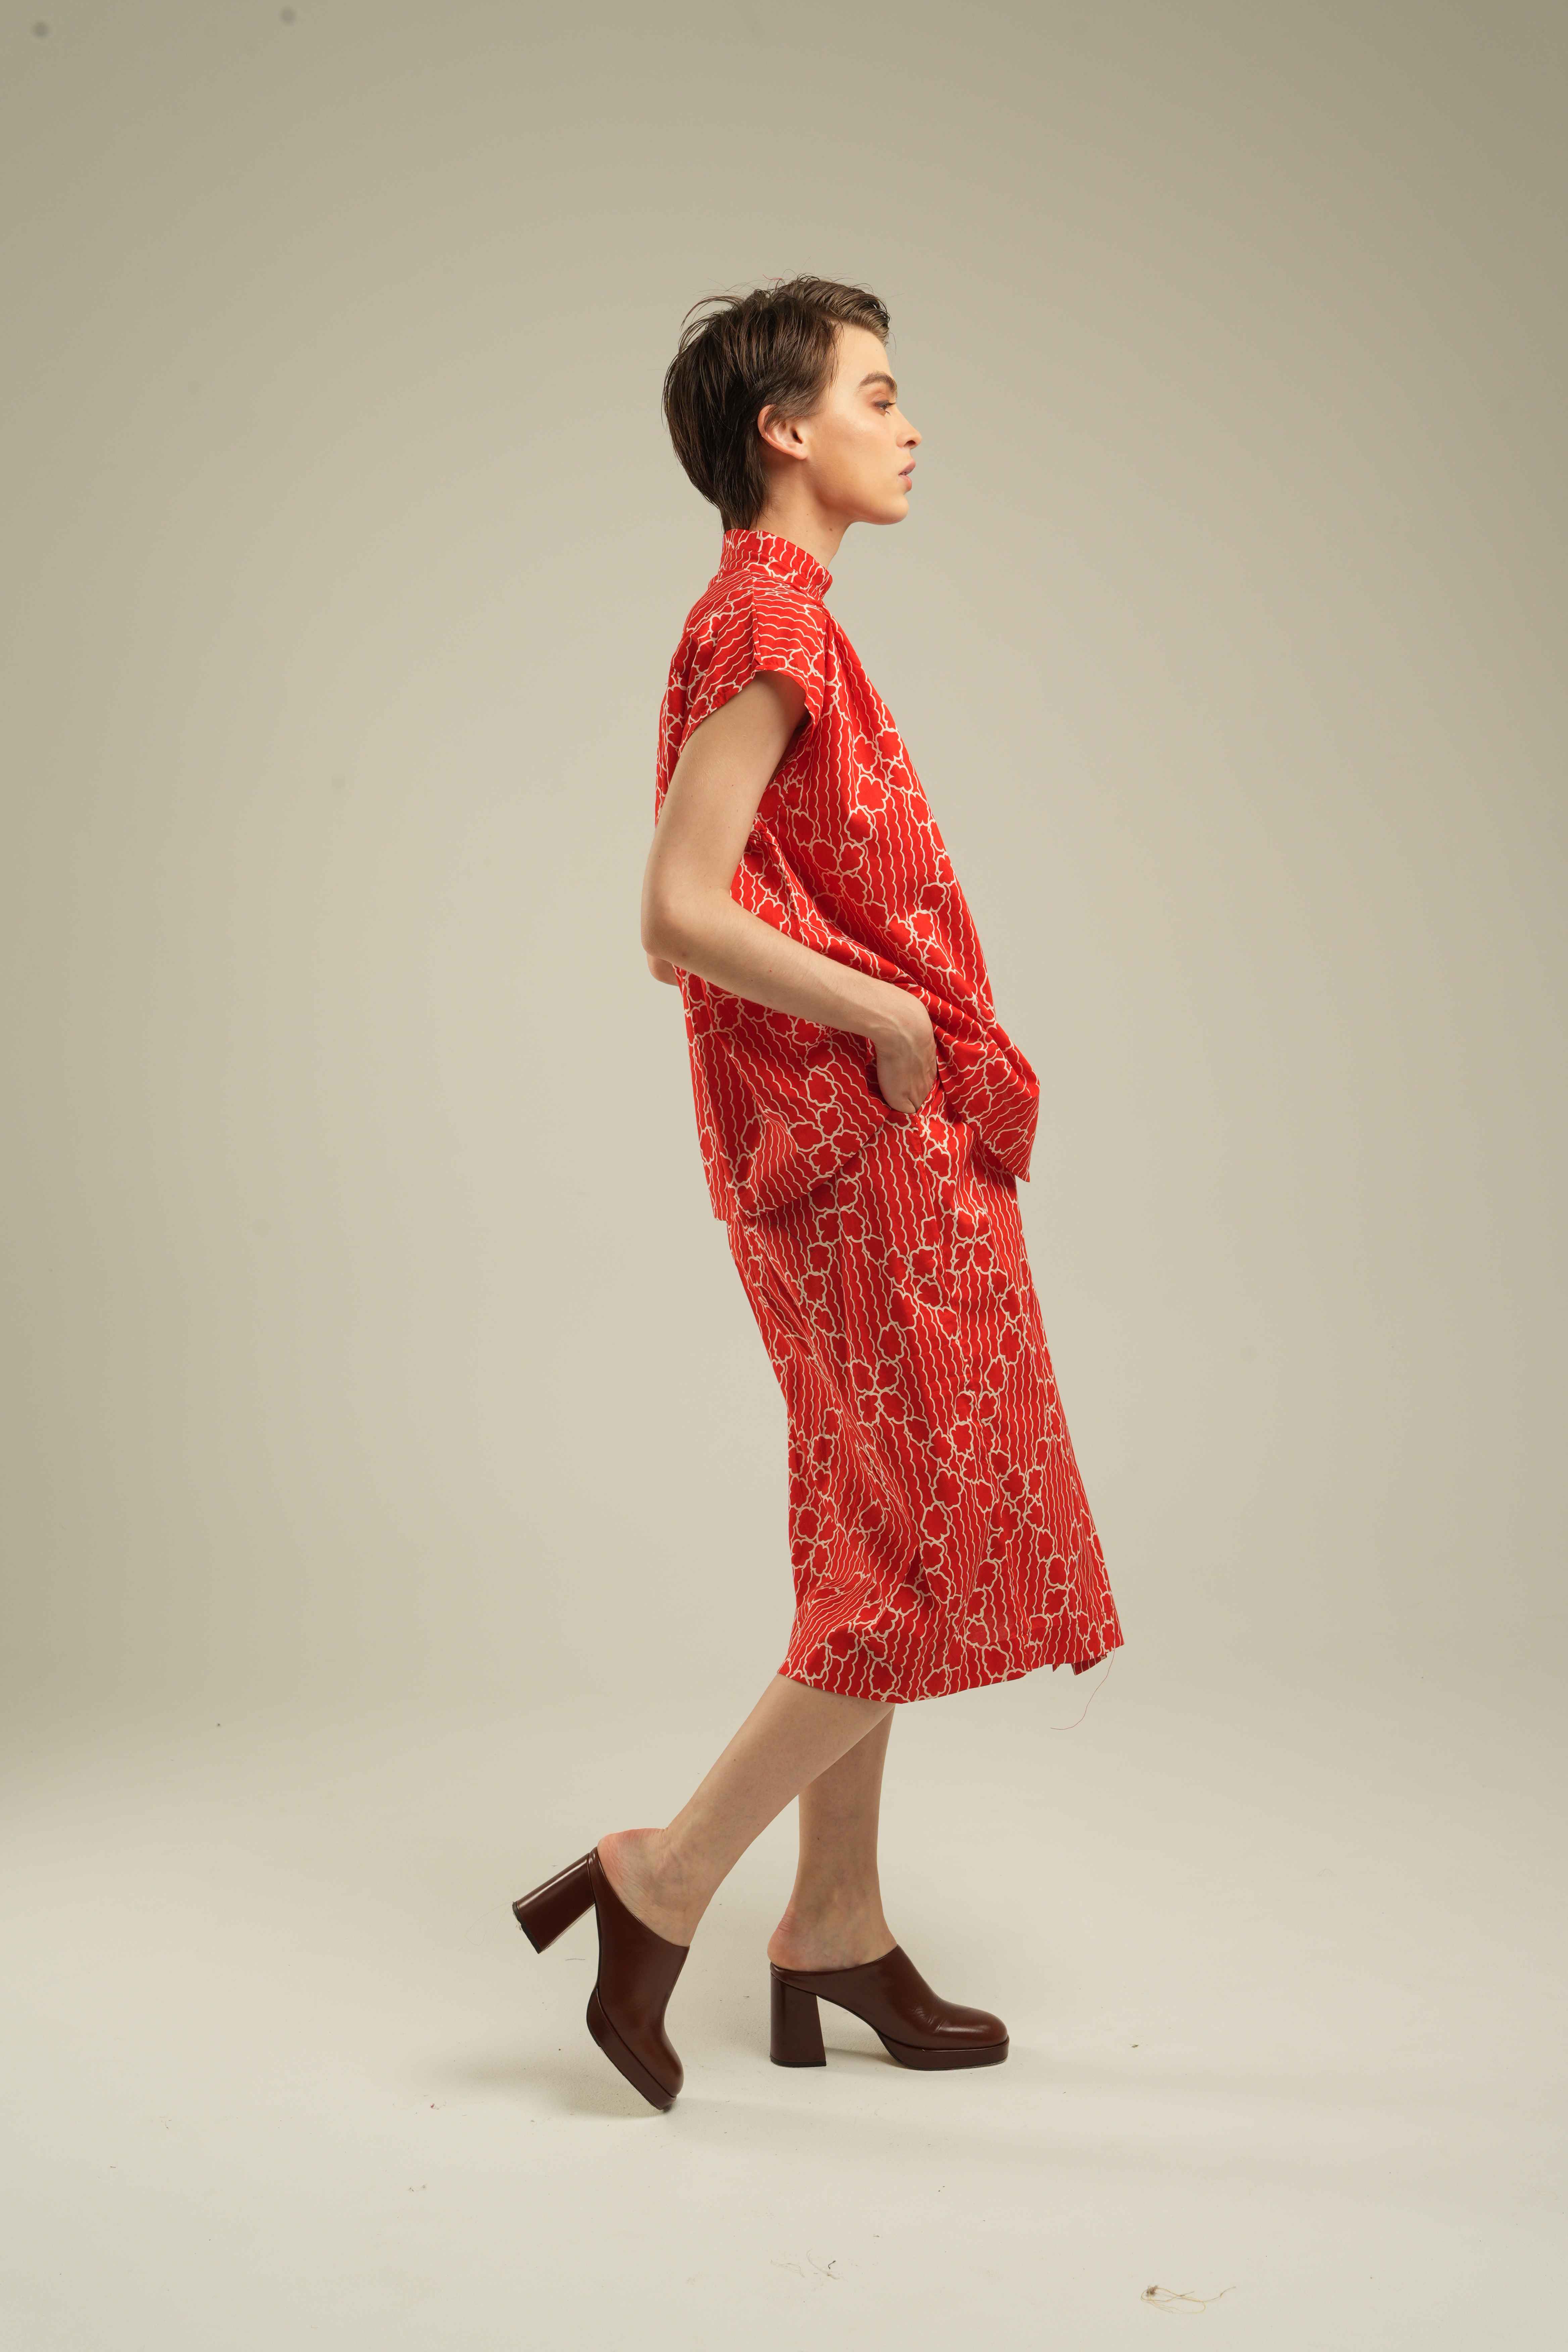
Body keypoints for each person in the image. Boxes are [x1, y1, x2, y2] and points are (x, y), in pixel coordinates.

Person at [513, 276, 1124, 2111]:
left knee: (875, 1542)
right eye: (876, 392)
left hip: (849, 1147)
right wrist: (893, 1020)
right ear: (784, 430)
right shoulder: (769, 618)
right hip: (853, 1151)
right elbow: (673, 911)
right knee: (921, 1553)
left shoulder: (771, 613)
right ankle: (665, 1876)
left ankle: (836, 1922)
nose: (909, 425)